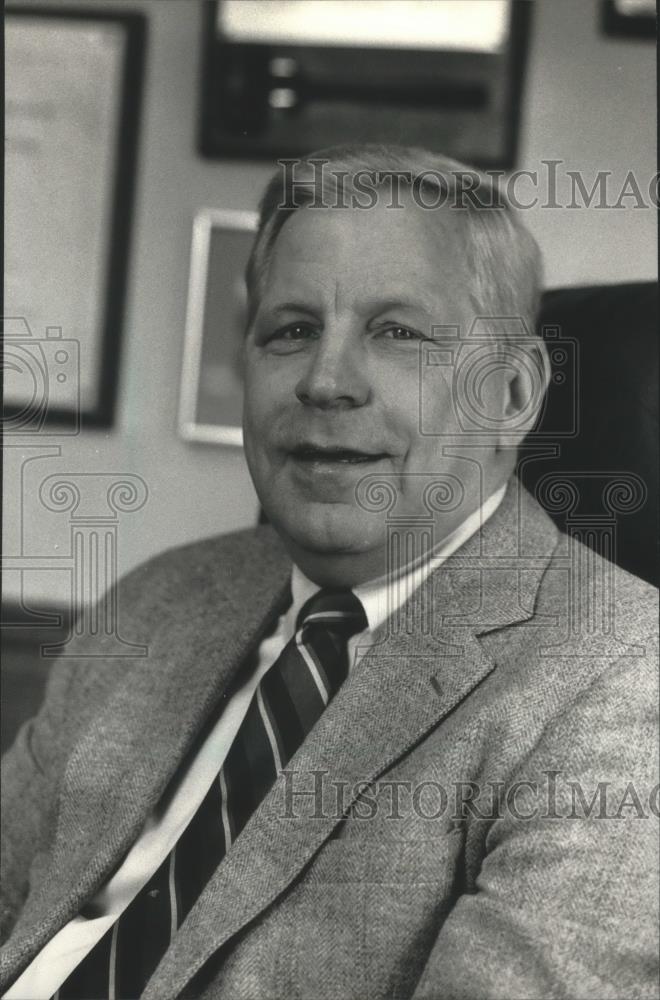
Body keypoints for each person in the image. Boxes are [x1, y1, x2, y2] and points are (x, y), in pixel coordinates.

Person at [1, 145, 658, 1000]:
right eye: (293, 330)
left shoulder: (620, 681)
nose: (324, 380)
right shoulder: (164, 596)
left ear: (513, 394)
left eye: (397, 332)